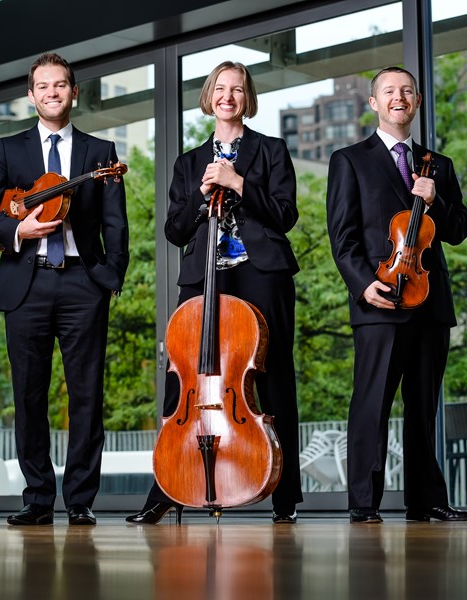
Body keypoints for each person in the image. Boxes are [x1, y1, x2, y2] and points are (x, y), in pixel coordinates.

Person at [126, 61, 302, 525]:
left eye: (237, 89)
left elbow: (285, 215)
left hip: (261, 273)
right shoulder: (188, 163)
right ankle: (166, 488)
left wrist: (238, 184)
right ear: (209, 97)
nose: (228, 96)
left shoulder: (271, 150)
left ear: (247, 98)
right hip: (205, 276)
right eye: (220, 89)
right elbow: (174, 230)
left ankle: (285, 495)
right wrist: (203, 196)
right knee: (181, 377)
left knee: (273, 377)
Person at [0, 52, 129, 526]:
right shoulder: (9, 150)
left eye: (60, 85)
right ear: (31, 94)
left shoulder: (100, 153)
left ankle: (79, 500)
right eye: (43, 86)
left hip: (83, 282)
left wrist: (108, 279)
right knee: (29, 395)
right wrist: (17, 230)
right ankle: (37, 498)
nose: (52, 92)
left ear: (74, 92)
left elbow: (117, 224)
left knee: (85, 395)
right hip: (26, 282)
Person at [325, 66, 467, 524]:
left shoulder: (438, 165)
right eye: (389, 91)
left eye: (407, 91)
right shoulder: (349, 160)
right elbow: (342, 236)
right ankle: (364, 504)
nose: (398, 97)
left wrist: (436, 201)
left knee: (423, 408)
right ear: (374, 102)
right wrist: (362, 284)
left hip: (429, 302)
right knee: (372, 404)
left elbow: (459, 230)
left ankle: (426, 500)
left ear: (417, 101)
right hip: (380, 299)